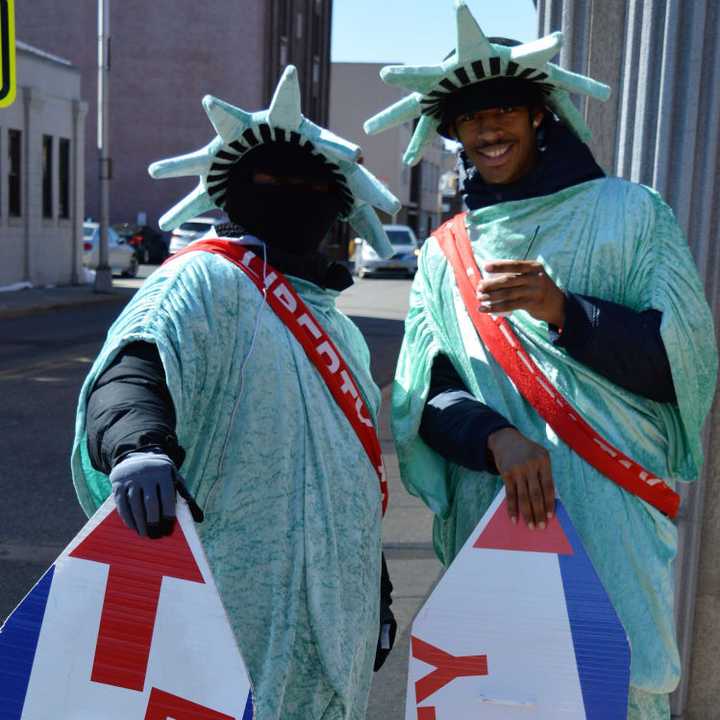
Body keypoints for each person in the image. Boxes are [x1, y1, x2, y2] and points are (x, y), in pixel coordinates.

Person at [364, 4, 717, 719]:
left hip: (614, 524)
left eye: (503, 111)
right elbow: (424, 395)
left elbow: (685, 368)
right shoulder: (444, 253)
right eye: (469, 120)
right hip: (494, 521)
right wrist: (495, 437)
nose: (488, 131)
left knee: (613, 690)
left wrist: (566, 313)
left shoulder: (632, 214)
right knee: (496, 697)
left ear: (538, 112)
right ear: (451, 133)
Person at [71, 66, 399, 720]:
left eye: (308, 187)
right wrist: (138, 445)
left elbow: (350, 482)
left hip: (336, 624)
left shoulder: (342, 330)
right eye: (270, 184)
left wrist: (379, 590)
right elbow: (136, 366)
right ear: (233, 194)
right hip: (227, 616)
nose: (288, 199)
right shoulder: (203, 283)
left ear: (338, 208)